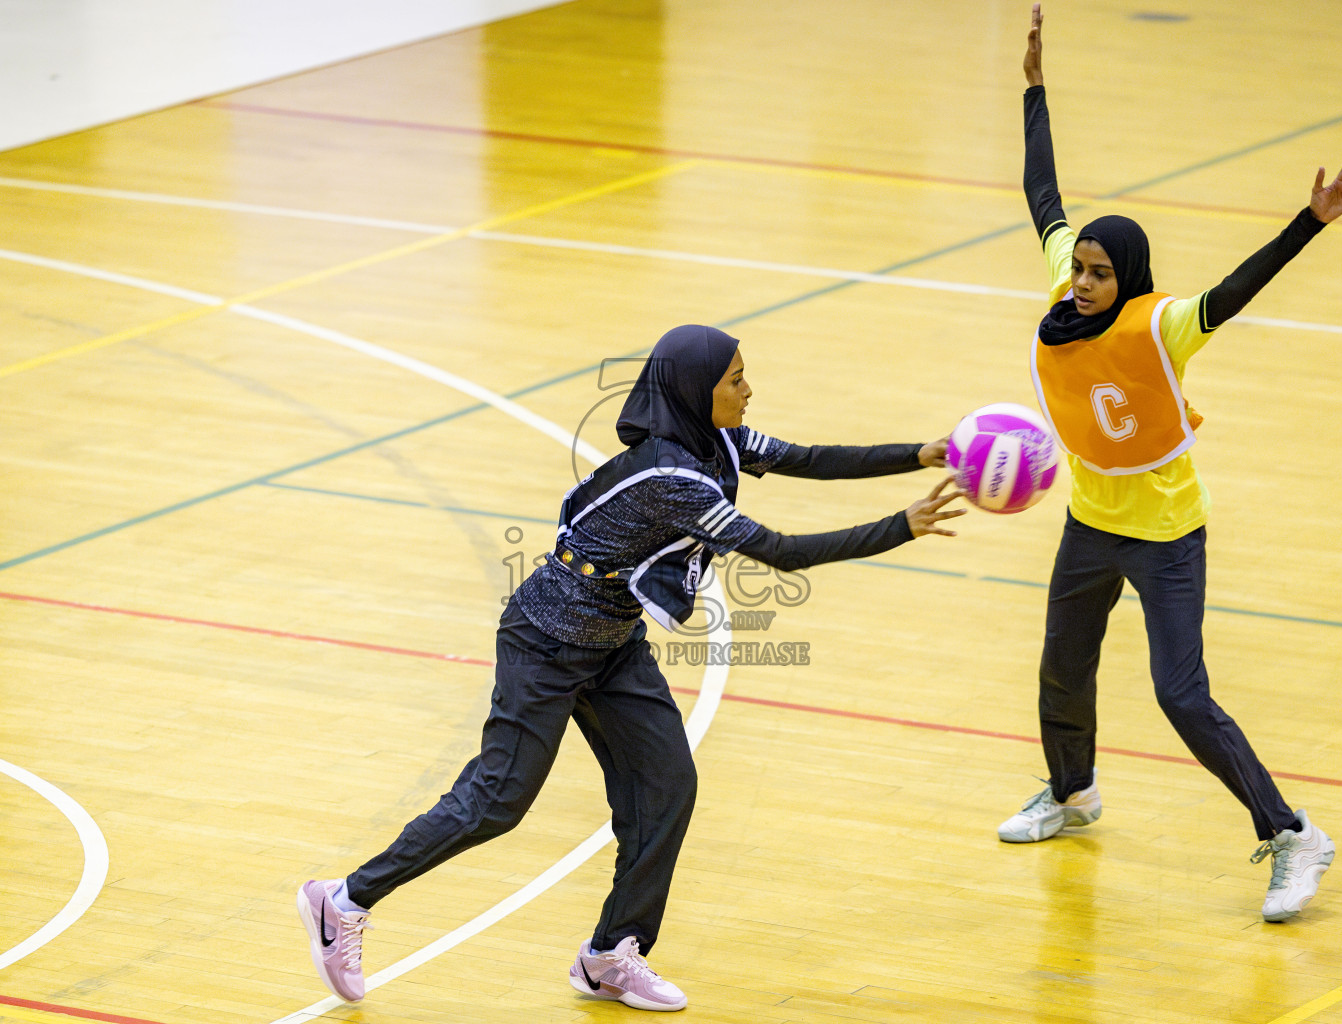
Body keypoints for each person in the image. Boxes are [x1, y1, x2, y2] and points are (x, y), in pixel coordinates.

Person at [297, 323, 966, 1010]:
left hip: (613, 643)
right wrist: (900, 526)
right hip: (545, 644)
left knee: (668, 785)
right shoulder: (673, 479)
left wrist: (917, 454)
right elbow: (782, 551)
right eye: (735, 379)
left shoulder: (722, 440)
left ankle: (611, 955)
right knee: (499, 801)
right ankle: (344, 901)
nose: (748, 389)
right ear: (692, 392)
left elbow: (813, 458)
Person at [997, 4, 1342, 924]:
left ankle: (1292, 834)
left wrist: (1309, 221)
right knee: (1061, 667)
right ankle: (1073, 791)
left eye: (1096, 272)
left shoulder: (1161, 323)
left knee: (1180, 692)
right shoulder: (1062, 296)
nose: (1082, 280)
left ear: (1125, 276)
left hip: (1166, 534)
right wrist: (1034, 91)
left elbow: (1235, 291)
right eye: (1079, 267)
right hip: (1091, 523)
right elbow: (1042, 194)